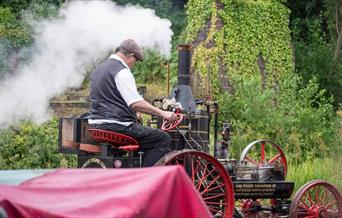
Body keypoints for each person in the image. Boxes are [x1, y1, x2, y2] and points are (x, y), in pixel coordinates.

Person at [88, 39, 176, 167]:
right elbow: (135, 103)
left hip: (96, 125)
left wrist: (133, 113)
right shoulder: (122, 71)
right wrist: (163, 113)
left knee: (145, 134)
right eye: (135, 61)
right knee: (162, 139)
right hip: (117, 126)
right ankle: (144, 177)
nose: (133, 65)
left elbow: (109, 97)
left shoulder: (99, 69)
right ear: (130, 56)